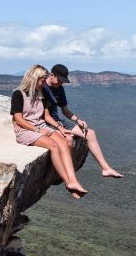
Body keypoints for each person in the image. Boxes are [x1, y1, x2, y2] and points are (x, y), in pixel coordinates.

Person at [10, 64, 88, 199]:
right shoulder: (19, 94)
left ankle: (74, 180)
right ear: (33, 79)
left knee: (64, 143)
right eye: (41, 80)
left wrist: (59, 128)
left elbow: (46, 116)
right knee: (53, 145)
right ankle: (68, 183)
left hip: (41, 125)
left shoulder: (42, 94)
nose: (43, 82)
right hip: (27, 130)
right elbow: (18, 119)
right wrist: (38, 130)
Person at [42, 64, 123, 178]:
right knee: (68, 140)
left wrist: (78, 120)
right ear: (52, 75)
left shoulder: (59, 88)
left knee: (90, 133)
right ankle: (68, 173)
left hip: (58, 120)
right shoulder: (42, 87)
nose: (61, 84)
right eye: (59, 81)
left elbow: (65, 110)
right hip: (47, 123)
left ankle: (106, 168)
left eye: (62, 82)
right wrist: (60, 128)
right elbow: (44, 115)